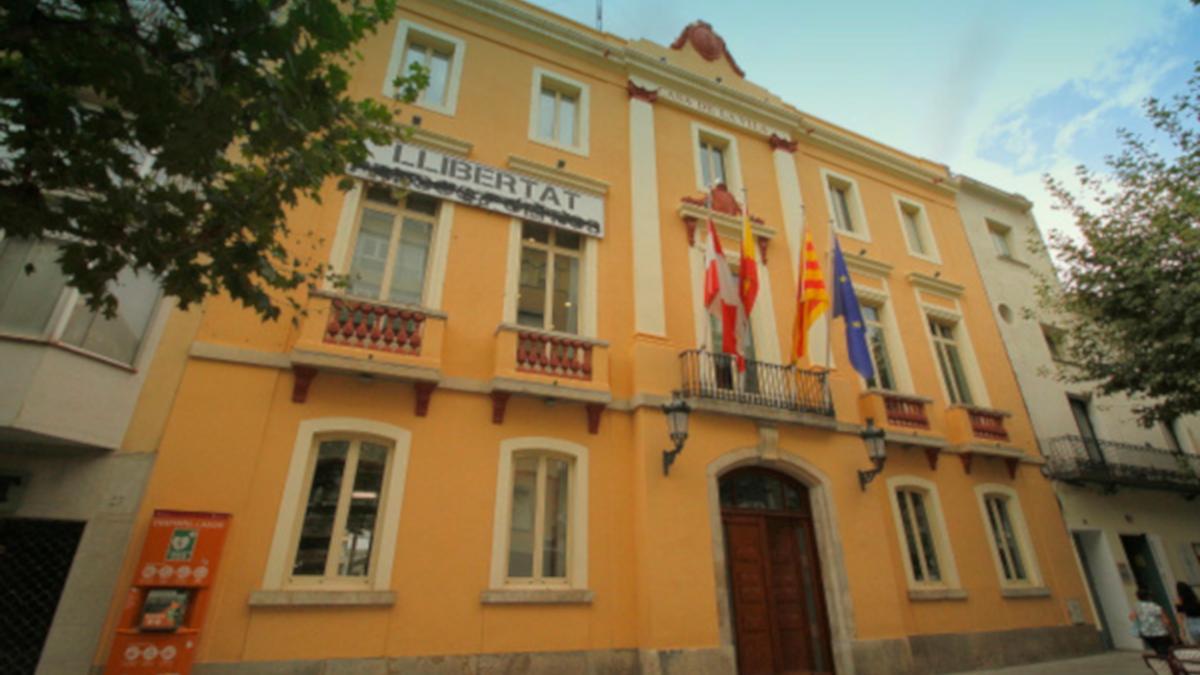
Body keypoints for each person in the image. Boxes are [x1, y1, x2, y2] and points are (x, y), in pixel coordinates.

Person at [1132, 587, 1175, 657]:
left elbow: (1133, 617)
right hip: (1160, 633)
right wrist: (1172, 634)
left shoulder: (1137, 607)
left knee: (1159, 651)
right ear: (1149, 596)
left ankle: (1163, 662)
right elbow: (1166, 621)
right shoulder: (1155, 607)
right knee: (1168, 652)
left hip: (1147, 634)